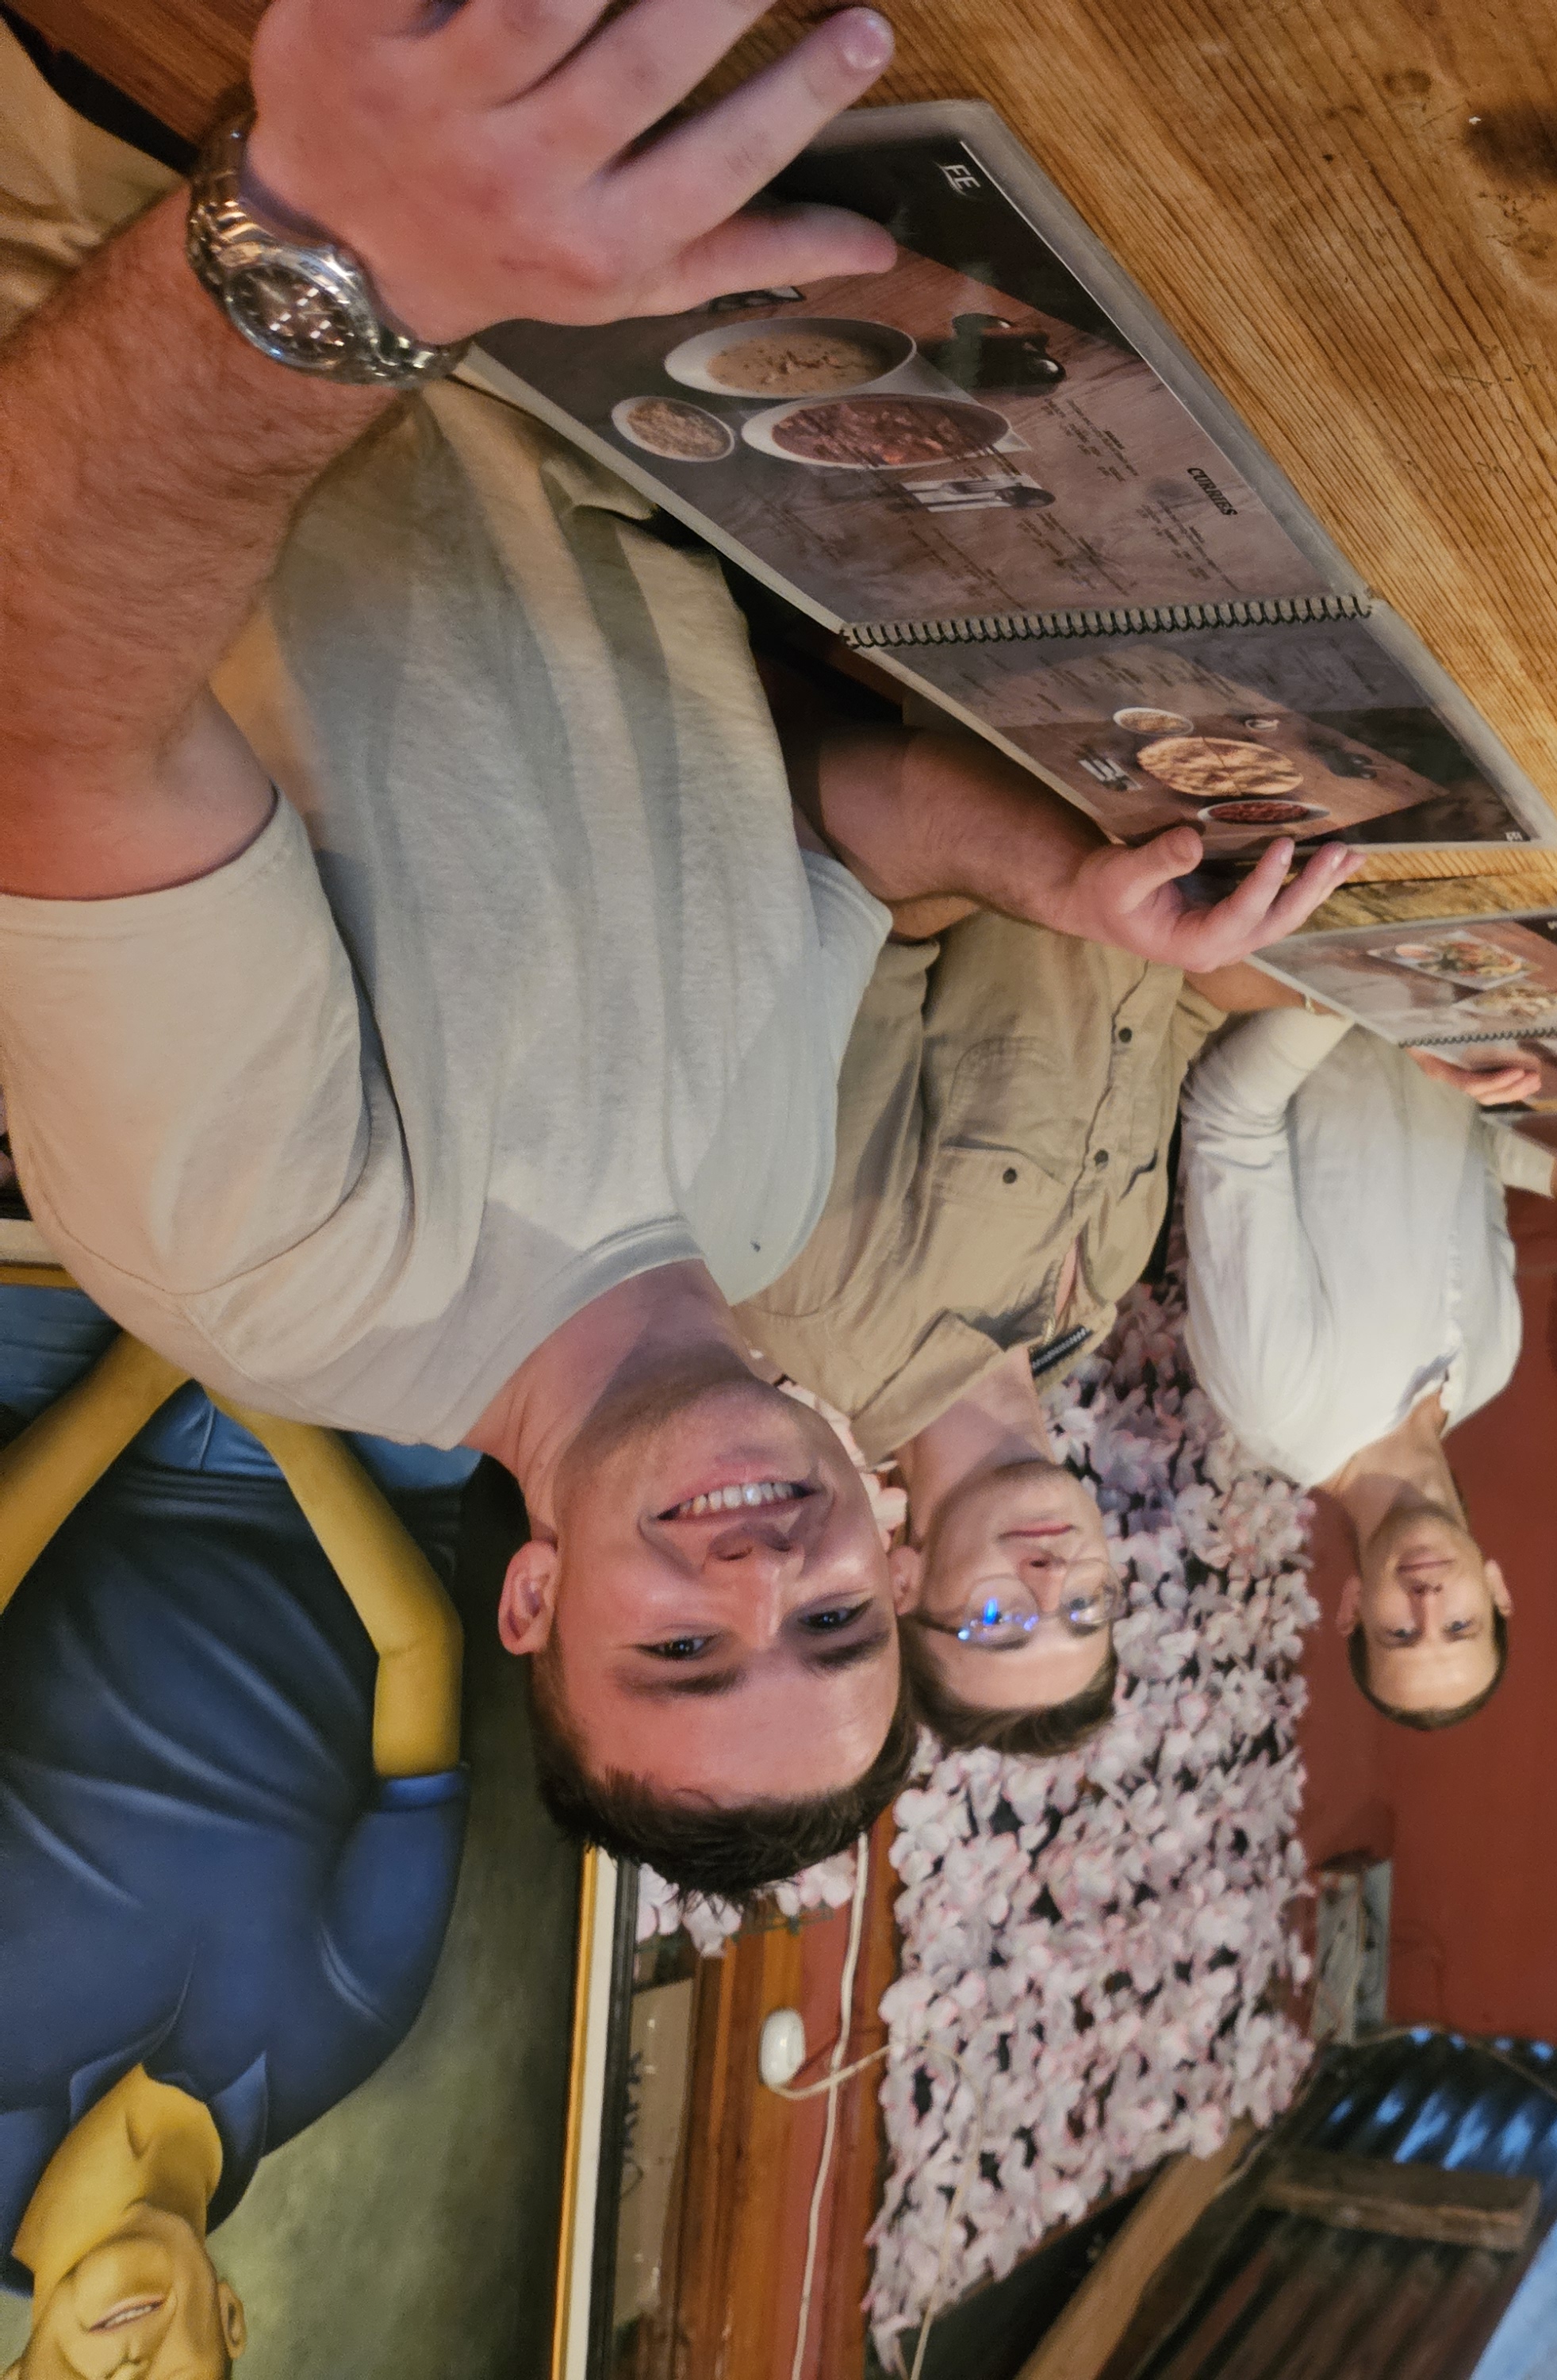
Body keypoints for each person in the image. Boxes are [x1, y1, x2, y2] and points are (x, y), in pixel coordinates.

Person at [0, 6, 1346, 1896]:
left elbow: (48, 716)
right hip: (560, 299)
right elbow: (798, 816)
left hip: (162, 155)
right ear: (886, 1558)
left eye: (679, 1648)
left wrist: (326, 250)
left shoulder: (291, 1268)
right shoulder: (756, 1223)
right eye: (830, 1628)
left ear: (537, 1593)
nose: (760, 1578)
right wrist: (1060, 880)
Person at [734, 823, 1329, 1759]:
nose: (1054, 1576)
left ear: (903, 1580)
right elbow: (1184, 1006)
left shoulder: (822, 1297)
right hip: (1182, 803)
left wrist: (1071, 877)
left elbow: (859, 890)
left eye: (998, 1621)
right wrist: (1383, 990)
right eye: (1087, 1609)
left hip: (1017, 740)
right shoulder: (1094, 1299)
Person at [0, 1288, 472, 2380]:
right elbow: (421, 1654)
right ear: (237, 2329)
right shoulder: (344, 2027)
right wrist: (272, 1414)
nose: (127, 2377)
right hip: (354, 1464)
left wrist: (139, 1373)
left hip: (49, 1402)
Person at [1180, 1007, 1557, 1726]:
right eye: (1461, 1625)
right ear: (1497, 1590)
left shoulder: (1276, 1405)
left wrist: (1355, 987)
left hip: (1308, 961)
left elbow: (1226, 1114)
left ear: (1349, 1608)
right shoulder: (1491, 1364)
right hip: (1448, 989)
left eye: (1399, 1633)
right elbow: (1470, 1141)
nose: (1427, 1604)